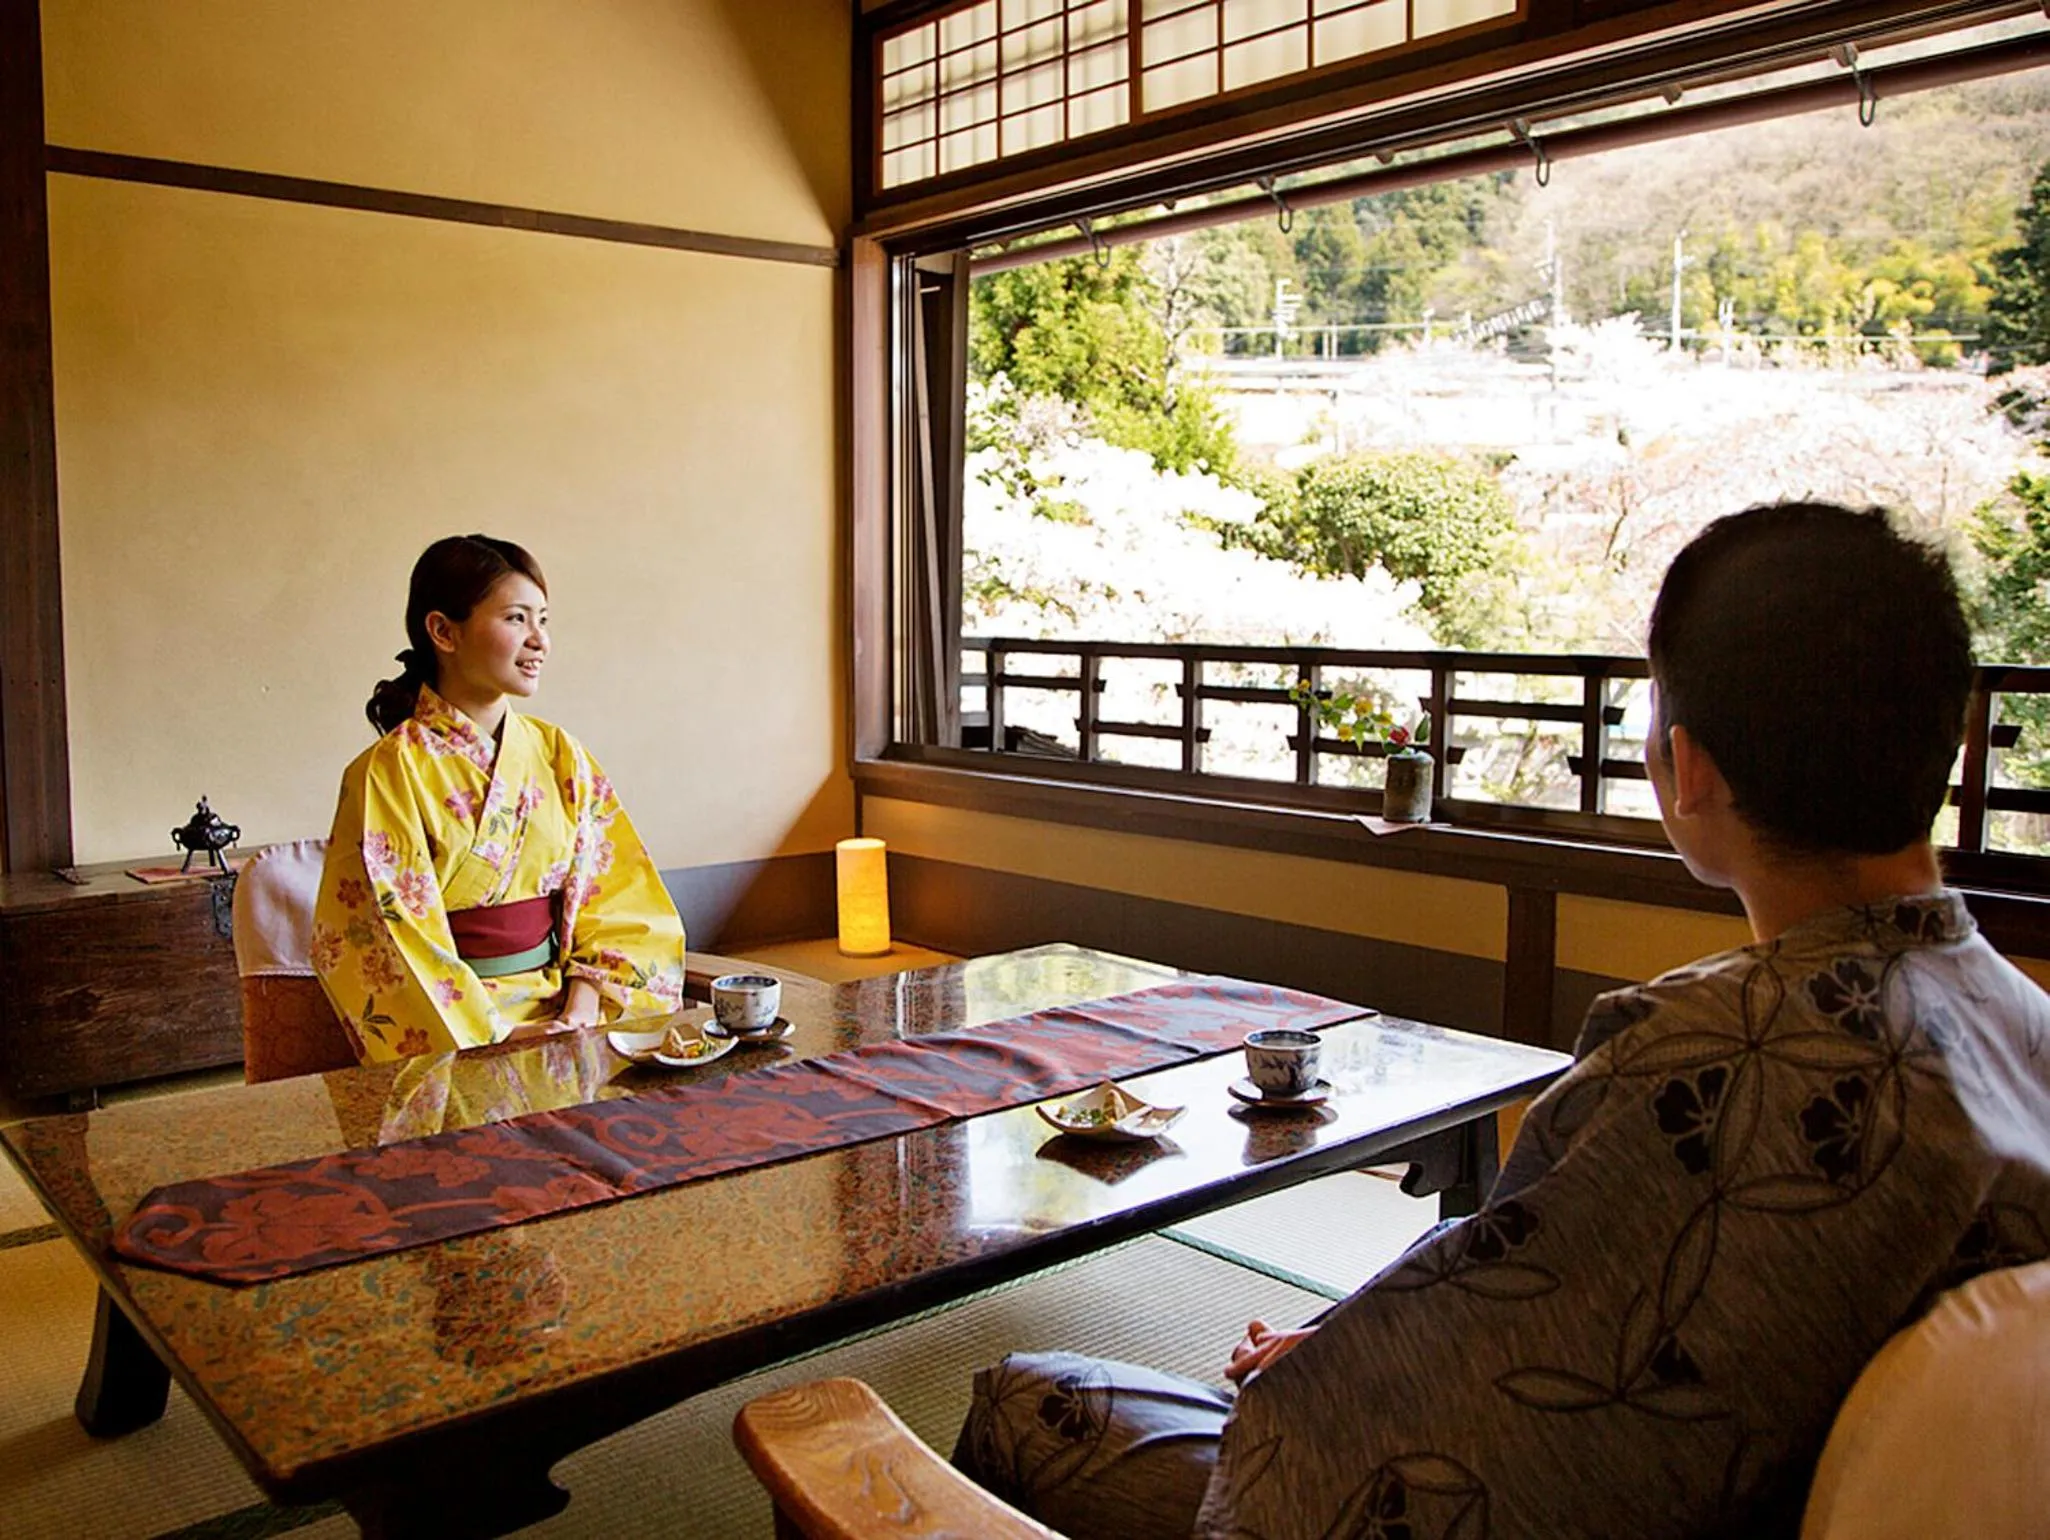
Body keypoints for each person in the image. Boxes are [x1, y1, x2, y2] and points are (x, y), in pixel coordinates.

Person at [953, 503, 2050, 1539]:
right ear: (1949, 748)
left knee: (1028, 1400)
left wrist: (1340, 1376)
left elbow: (1494, 1429)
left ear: (1689, 767)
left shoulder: (1702, 1062)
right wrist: (1362, 1336)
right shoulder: (2025, 1030)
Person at [312, 535, 687, 1061]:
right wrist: (496, 1037)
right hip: (458, 1036)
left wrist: (579, 1011)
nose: (539, 641)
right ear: (443, 631)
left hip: (571, 1020)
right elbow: (388, 941)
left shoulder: (561, 754)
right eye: (516, 619)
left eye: (544, 620)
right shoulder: (388, 772)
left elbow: (621, 899)